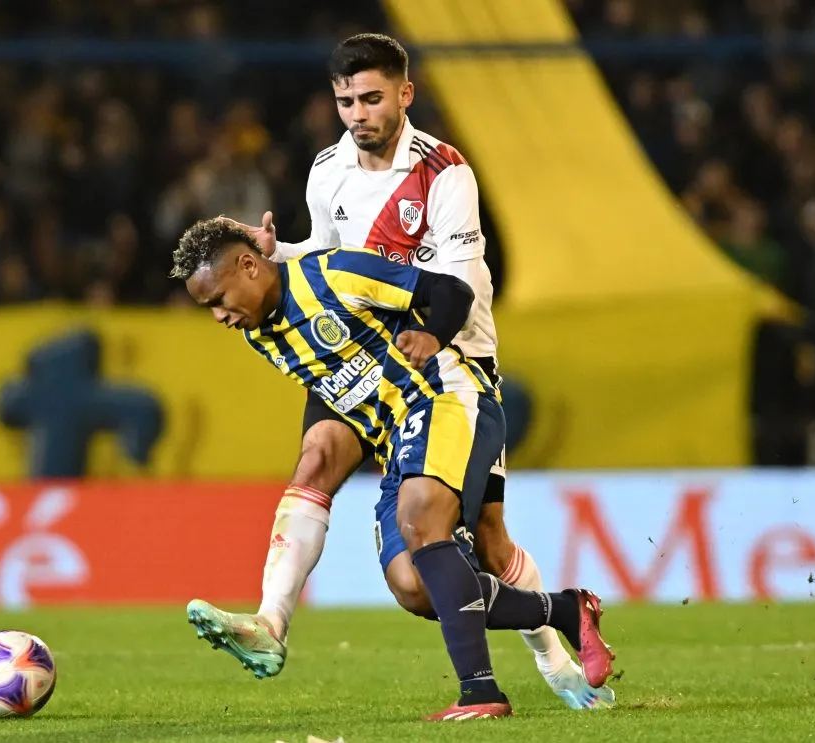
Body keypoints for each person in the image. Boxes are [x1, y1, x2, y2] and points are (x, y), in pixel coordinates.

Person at [217, 32, 615, 710]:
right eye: (345, 101)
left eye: (371, 98)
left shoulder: (446, 174)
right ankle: (271, 620)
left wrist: (432, 334)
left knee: (486, 539)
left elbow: (455, 285)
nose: (357, 114)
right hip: (366, 353)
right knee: (316, 456)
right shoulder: (327, 169)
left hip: (452, 356)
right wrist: (276, 250)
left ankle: (557, 656)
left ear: (405, 94)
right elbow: (328, 254)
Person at [171, 218, 616, 720]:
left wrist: (431, 334)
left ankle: (480, 693)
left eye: (217, 299)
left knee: (426, 522)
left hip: (445, 396)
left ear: (248, 265)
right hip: (396, 440)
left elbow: (449, 290)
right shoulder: (262, 336)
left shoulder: (334, 276)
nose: (218, 317)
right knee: (415, 587)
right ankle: (564, 609)